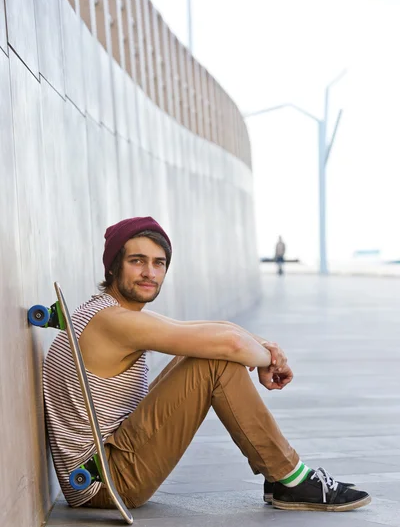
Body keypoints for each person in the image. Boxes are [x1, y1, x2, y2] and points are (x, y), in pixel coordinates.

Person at [43, 216, 371, 512]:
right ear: (113, 267)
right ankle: (289, 477)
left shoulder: (109, 313)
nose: (149, 272)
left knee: (208, 353)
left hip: (106, 465)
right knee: (215, 363)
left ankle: (281, 477)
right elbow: (228, 343)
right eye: (137, 261)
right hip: (105, 482)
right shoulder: (114, 322)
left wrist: (265, 347)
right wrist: (269, 360)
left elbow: (209, 330)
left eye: (159, 263)